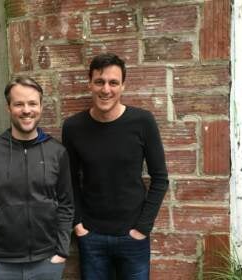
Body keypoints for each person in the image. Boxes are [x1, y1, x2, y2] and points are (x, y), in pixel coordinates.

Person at [62, 53, 169, 280]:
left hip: (133, 236)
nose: (106, 89)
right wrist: (78, 225)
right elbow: (68, 180)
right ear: (90, 83)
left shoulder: (142, 122)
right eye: (99, 82)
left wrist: (142, 229)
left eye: (113, 82)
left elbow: (160, 178)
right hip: (91, 236)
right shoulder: (73, 127)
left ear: (123, 86)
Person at [0, 76, 74, 280]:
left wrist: (61, 252)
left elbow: (66, 205)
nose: (26, 110)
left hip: (47, 262)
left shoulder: (57, 152)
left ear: (41, 106)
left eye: (32, 103)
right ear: (8, 108)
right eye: (19, 104)